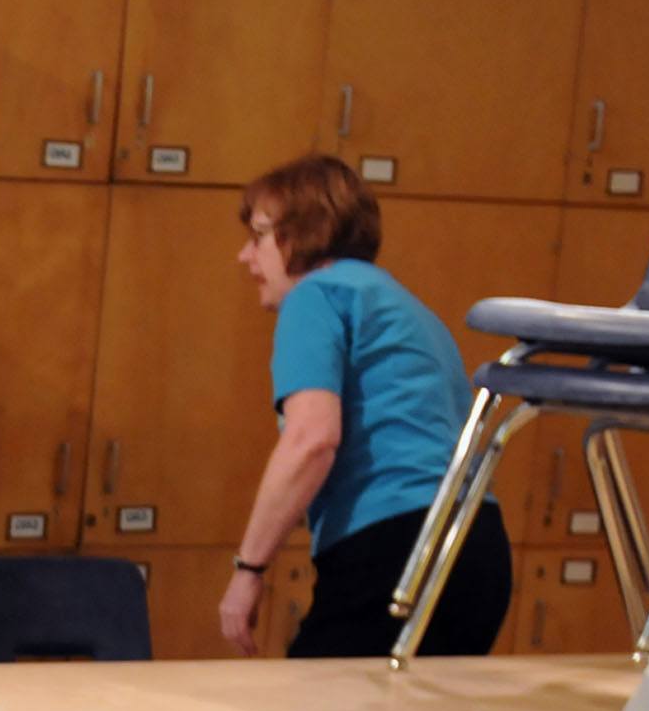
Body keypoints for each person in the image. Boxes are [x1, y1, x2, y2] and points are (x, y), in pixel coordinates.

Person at [219, 154, 512, 658]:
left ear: (304, 232)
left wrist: (249, 569)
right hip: (476, 546)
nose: (245, 257)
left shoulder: (316, 296)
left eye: (259, 236)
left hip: (395, 548)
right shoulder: (404, 306)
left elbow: (312, 439)